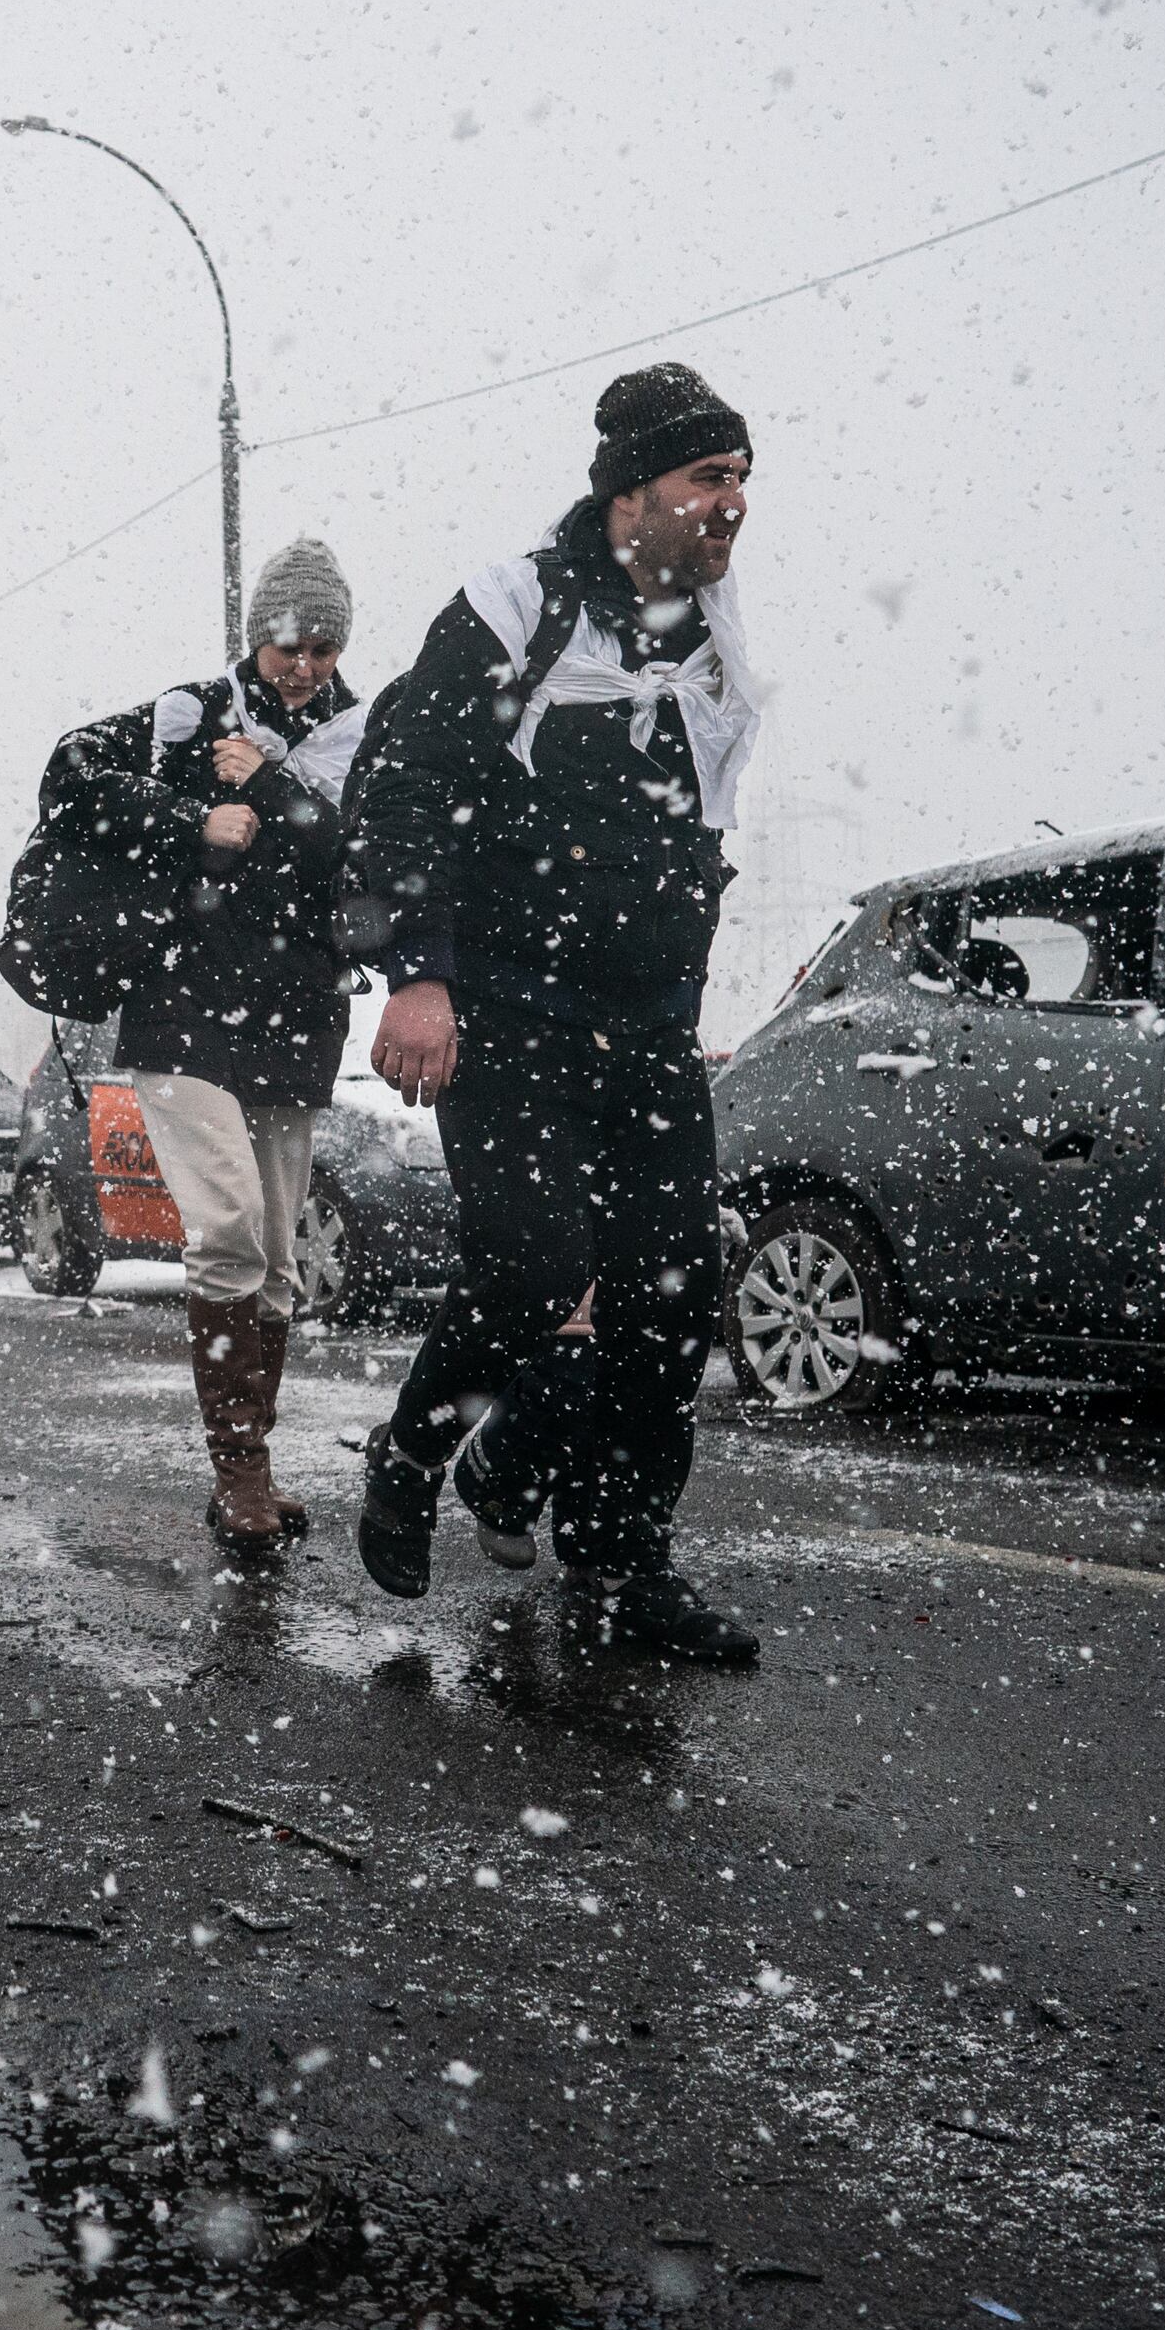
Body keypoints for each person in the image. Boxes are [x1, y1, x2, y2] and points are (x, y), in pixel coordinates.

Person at [342, 363, 764, 1664]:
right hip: (510, 1012)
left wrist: (678, 1000)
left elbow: (695, 841)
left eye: (745, 481)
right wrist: (417, 968)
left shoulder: (714, 636)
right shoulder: (516, 606)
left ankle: (623, 1566)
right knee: (532, 1268)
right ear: (633, 487)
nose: (733, 505)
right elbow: (398, 783)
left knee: (669, 1292)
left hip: (641, 1029)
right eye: (711, 477)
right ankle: (416, 1448)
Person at [37, 540, 370, 1562]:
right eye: (288, 645)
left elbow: (355, 857)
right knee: (226, 1230)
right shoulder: (188, 713)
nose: (305, 665)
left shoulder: (360, 735)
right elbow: (68, 775)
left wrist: (268, 788)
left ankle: (252, 1466)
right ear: (255, 636)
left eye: (323, 646)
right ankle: (241, 1477)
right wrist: (194, 819)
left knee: (275, 1257)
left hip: (296, 1016)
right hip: (182, 1013)